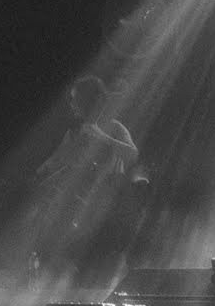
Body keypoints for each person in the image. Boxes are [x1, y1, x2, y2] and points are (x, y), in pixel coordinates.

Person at [27, 76, 139, 287]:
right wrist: (38, 173)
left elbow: (132, 154)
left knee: (103, 265)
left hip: (109, 206)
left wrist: (102, 137)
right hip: (81, 209)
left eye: (75, 99)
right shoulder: (75, 132)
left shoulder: (114, 127)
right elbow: (58, 160)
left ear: (88, 101)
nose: (72, 105)